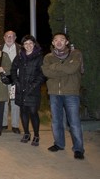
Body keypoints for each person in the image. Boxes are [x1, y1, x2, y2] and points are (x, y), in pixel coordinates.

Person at [42, 32, 85, 160]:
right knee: (56, 121)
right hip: (54, 93)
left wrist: (56, 68)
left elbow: (73, 69)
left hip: (71, 93)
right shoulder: (48, 57)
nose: (59, 42)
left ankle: (78, 149)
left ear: (66, 42)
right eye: (56, 40)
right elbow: (46, 72)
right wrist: (63, 68)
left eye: (62, 39)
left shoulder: (76, 54)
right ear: (53, 43)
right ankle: (59, 144)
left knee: (74, 122)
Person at [10, 35, 45, 146]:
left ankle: (36, 135)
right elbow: (13, 69)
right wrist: (16, 81)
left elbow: (41, 74)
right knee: (23, 111)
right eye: (26, 44)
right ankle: (26, 133)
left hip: (33, 90)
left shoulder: (39, 57)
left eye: (30, 43)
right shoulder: (20, 56)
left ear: (34, 44)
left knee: (33, 112)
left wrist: (33, 86)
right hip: (21, 89)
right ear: (23, 46)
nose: (28, 46)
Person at [0, 30, 22, 134]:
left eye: (11, 36)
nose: (9, 38)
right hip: (2, 79)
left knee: (15, 102)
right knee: (3, 101)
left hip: (15, 80)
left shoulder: (21, 49)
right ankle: (3, 123)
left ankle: (15, 125)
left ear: (15, 37)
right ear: (4, 38)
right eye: (7, 36)